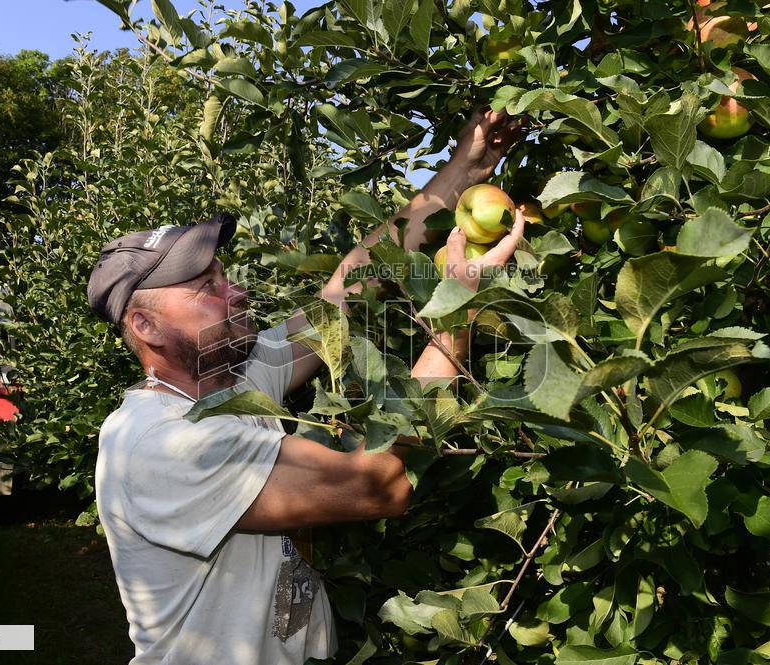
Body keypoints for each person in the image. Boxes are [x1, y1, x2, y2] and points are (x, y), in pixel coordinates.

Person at [86, 110, 525, 665]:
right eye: (207, 287)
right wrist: (454, 318)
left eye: (225, 274)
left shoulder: (231, 383)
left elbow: (349, 287)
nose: (237, 289)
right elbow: (376, 485)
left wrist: (466, 166)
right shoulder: (160, 444)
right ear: (146, 328)